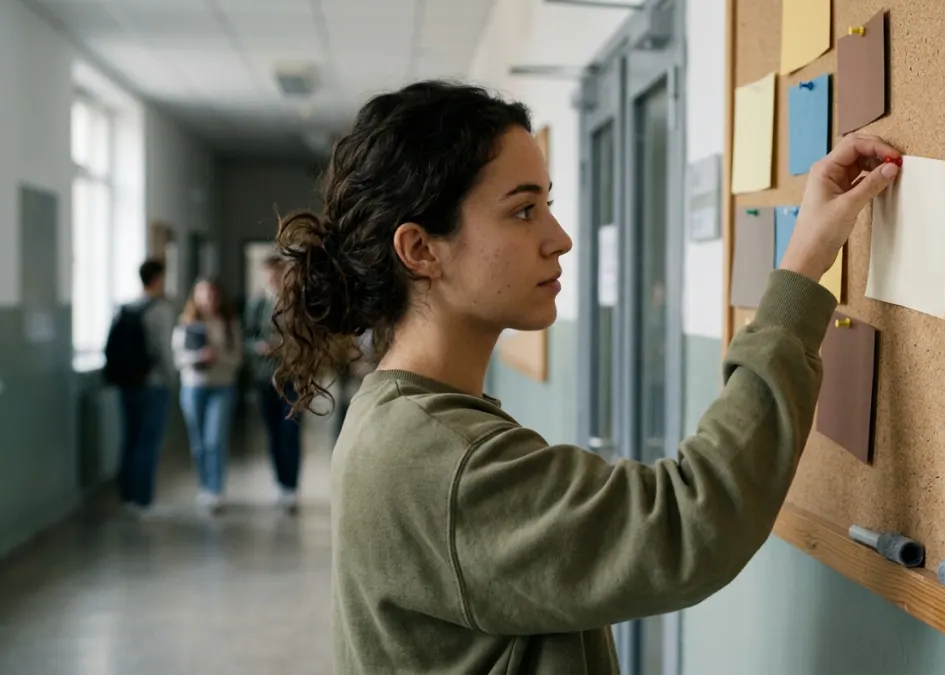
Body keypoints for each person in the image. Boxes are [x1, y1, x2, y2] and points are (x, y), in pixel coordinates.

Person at [269, 80, 901, 674]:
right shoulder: (437, 458)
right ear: (421, 250)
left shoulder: (395, 414)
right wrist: (801, 270)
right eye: (522, 211)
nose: (560, 238)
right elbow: (690, 523)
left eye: (548, 205)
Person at [105, 259, 174, 516]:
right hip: (153, 384)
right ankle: (144, 499)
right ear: (158, 278)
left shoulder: (126, 307)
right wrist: (170, 378)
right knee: (148, 441)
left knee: (130, 438)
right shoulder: (160, 309)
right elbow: (163, 348)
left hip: (128, 383)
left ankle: (127, 495)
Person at [173, 278, 243, 513]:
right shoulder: (186, 324)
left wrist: (218, 357)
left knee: (215, 439)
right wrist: (198, 357)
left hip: (222, 387)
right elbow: (178, 358)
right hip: (194, 387)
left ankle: (216, 490)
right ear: (195, 297)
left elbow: (238, 359)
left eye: (212, 295)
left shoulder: (229, 323)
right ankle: (204, 486)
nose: (208, 300)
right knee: (199, 443)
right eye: (203, 294)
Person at [244, 254, 302, 512]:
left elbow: (307, 339)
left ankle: (290, 486)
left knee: (290, 431)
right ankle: (279, 482)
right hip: (264, 377)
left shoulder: (297, 303)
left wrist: (285, 347)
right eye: (270, 274)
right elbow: (245, 336)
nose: (274, 279)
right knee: (273, 432)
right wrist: (258, 347)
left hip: (292, 377)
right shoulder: (257, 304)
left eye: (278, 274)